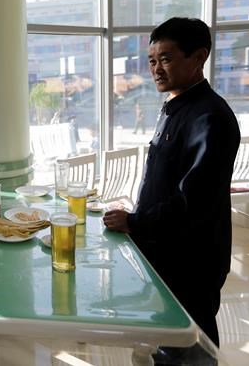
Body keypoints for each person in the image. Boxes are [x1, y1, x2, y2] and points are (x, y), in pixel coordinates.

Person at [103, 18, 240, 354]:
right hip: (163, 249)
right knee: (166, 340)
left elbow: (194, 199)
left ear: (199, 57)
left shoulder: (210, 118)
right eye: (152, 60)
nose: (156, 69)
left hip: (191, 260)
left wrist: (135, 221)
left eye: (165, 59)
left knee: (190, 344)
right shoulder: (176, 107)